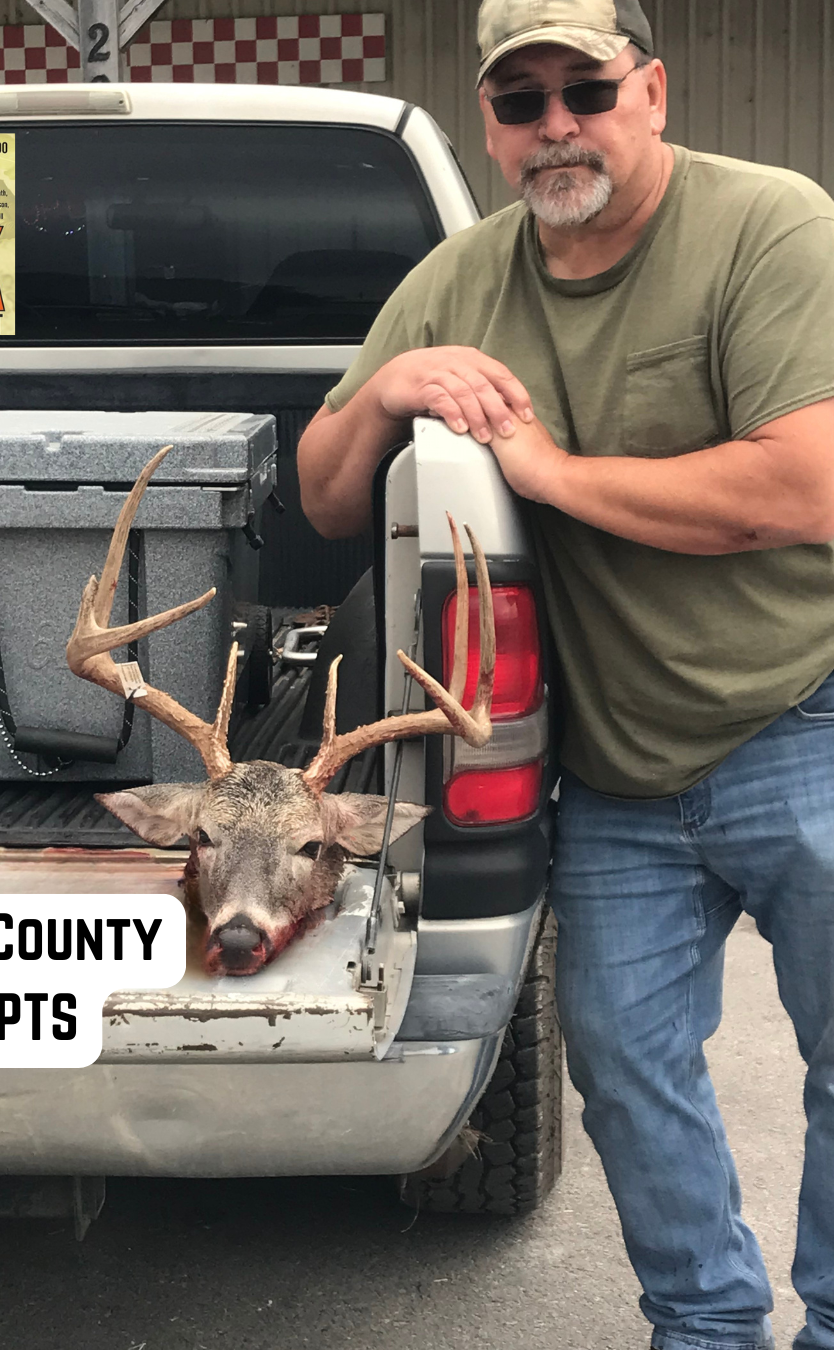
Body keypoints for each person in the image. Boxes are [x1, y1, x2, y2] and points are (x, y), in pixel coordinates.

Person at [296, 1, 834, 1347]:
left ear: (650, 90)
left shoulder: (771, 225)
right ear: (488, 124)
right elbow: (318, 495)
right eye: (521, 101)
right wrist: (386, 390)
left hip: (800, 711)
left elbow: (801, 486)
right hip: (610, 767)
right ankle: (704, 1325)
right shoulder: (461, 279)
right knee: (625, 1066)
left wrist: (542, 472)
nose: (556, 126)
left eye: (584, 89)